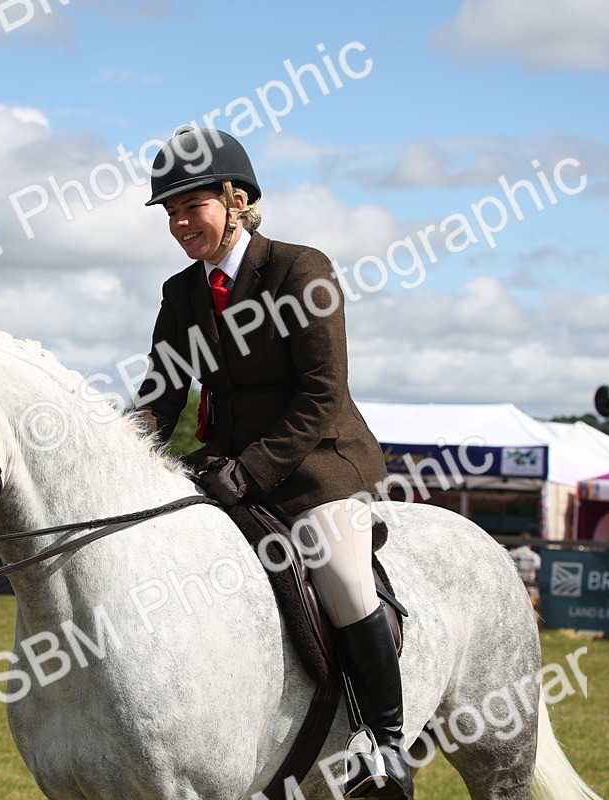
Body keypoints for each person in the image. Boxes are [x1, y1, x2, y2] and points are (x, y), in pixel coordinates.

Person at [136, 127, 411, 800]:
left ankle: (385, 744)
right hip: (224, 467)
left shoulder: (299, 268)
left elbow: (324, 393)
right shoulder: (181, 295)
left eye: (190, 206)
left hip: (316, 463)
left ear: (236, 200)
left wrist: (255, 469)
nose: (177, 223)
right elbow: (160, 395)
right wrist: (122, 461)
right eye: (169, 212)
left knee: (343, 576)